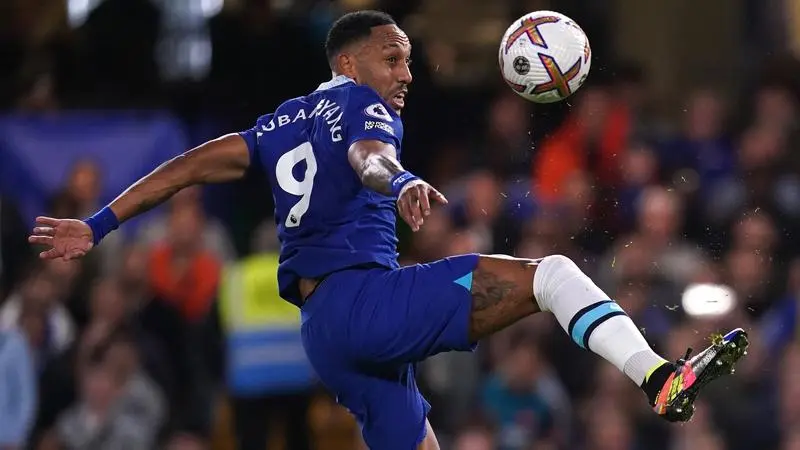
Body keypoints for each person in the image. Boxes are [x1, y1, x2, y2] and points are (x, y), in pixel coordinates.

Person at [28, 10, 748, 450]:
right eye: (392, 57)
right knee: (553, 276)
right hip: (365, 304)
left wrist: (100, 221)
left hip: (325, 333)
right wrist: (399, 180)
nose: (406, 72)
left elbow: (189, 166)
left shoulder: (280, 122)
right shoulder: (360, 104)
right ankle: (656, 375)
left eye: (406, 59)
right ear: (349, 63)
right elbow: (368, 156)